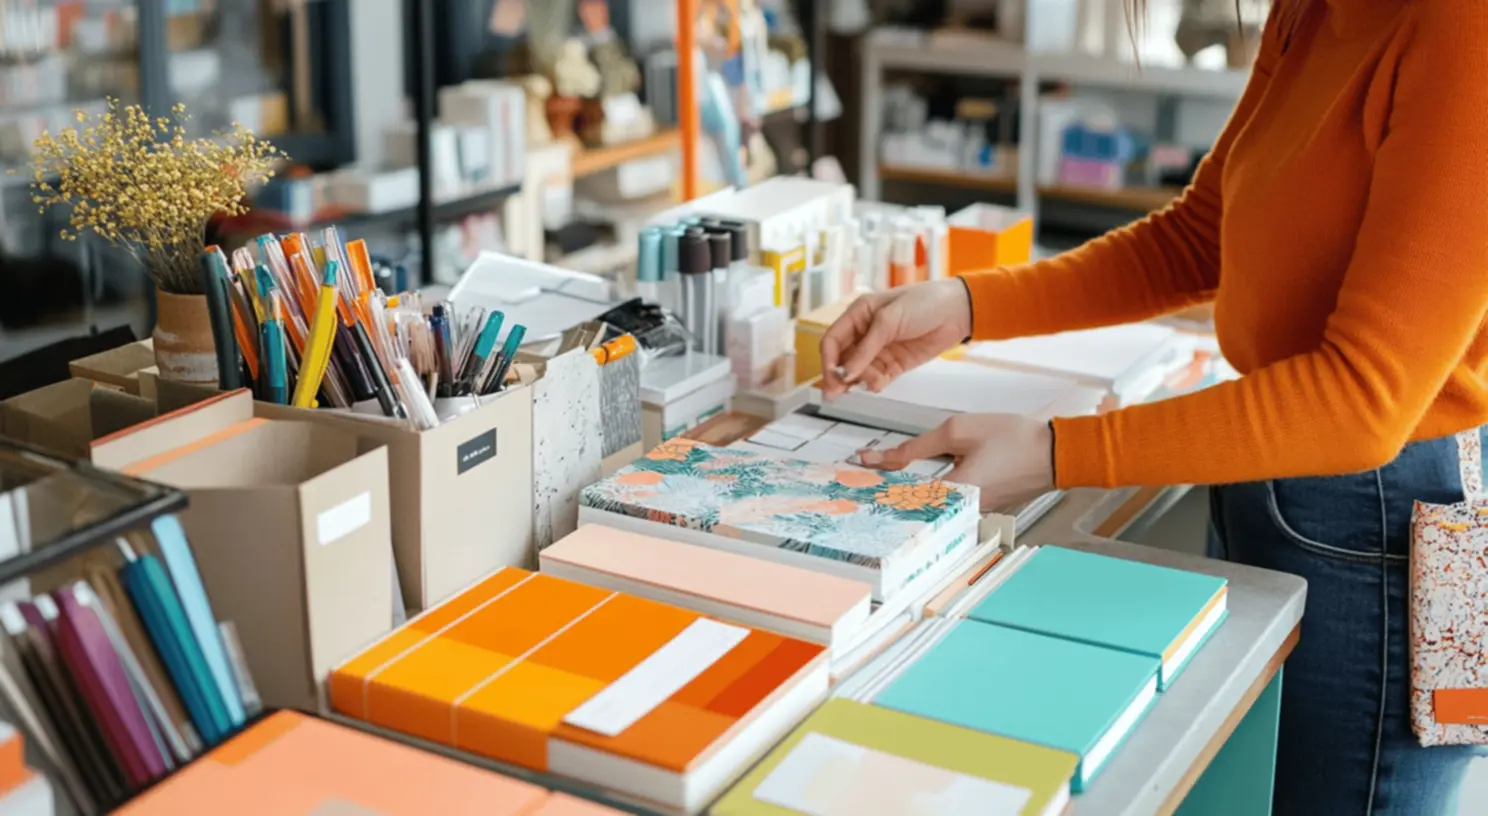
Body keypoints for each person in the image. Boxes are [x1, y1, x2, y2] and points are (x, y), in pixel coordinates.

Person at [819, 1, 1488, 814]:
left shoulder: (1464, 31)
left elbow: (1361, 402)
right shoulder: (1310, 11)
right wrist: (968, 305)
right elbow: (1200, 237)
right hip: (1269, 464)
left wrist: (1056, 453)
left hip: (1378, 522)